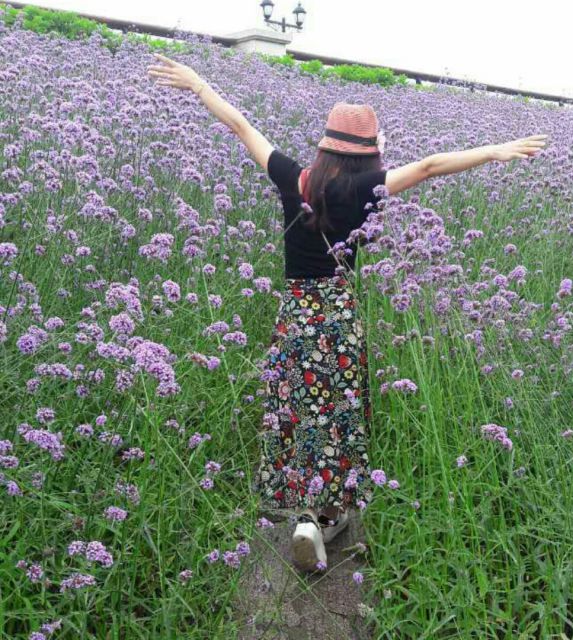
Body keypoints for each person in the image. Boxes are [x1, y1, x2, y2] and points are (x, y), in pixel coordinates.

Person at [147, 53, 548, 573]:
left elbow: (241, 125)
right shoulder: (366, 187)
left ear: (324, 145)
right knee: (337, 416)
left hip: (296, 315)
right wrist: (494, 151)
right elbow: (429, 166)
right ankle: (326, 517)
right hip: (338, 317)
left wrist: (198, 83)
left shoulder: (296, 180)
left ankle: (302, 514)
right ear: (369, 154)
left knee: (298, 413)